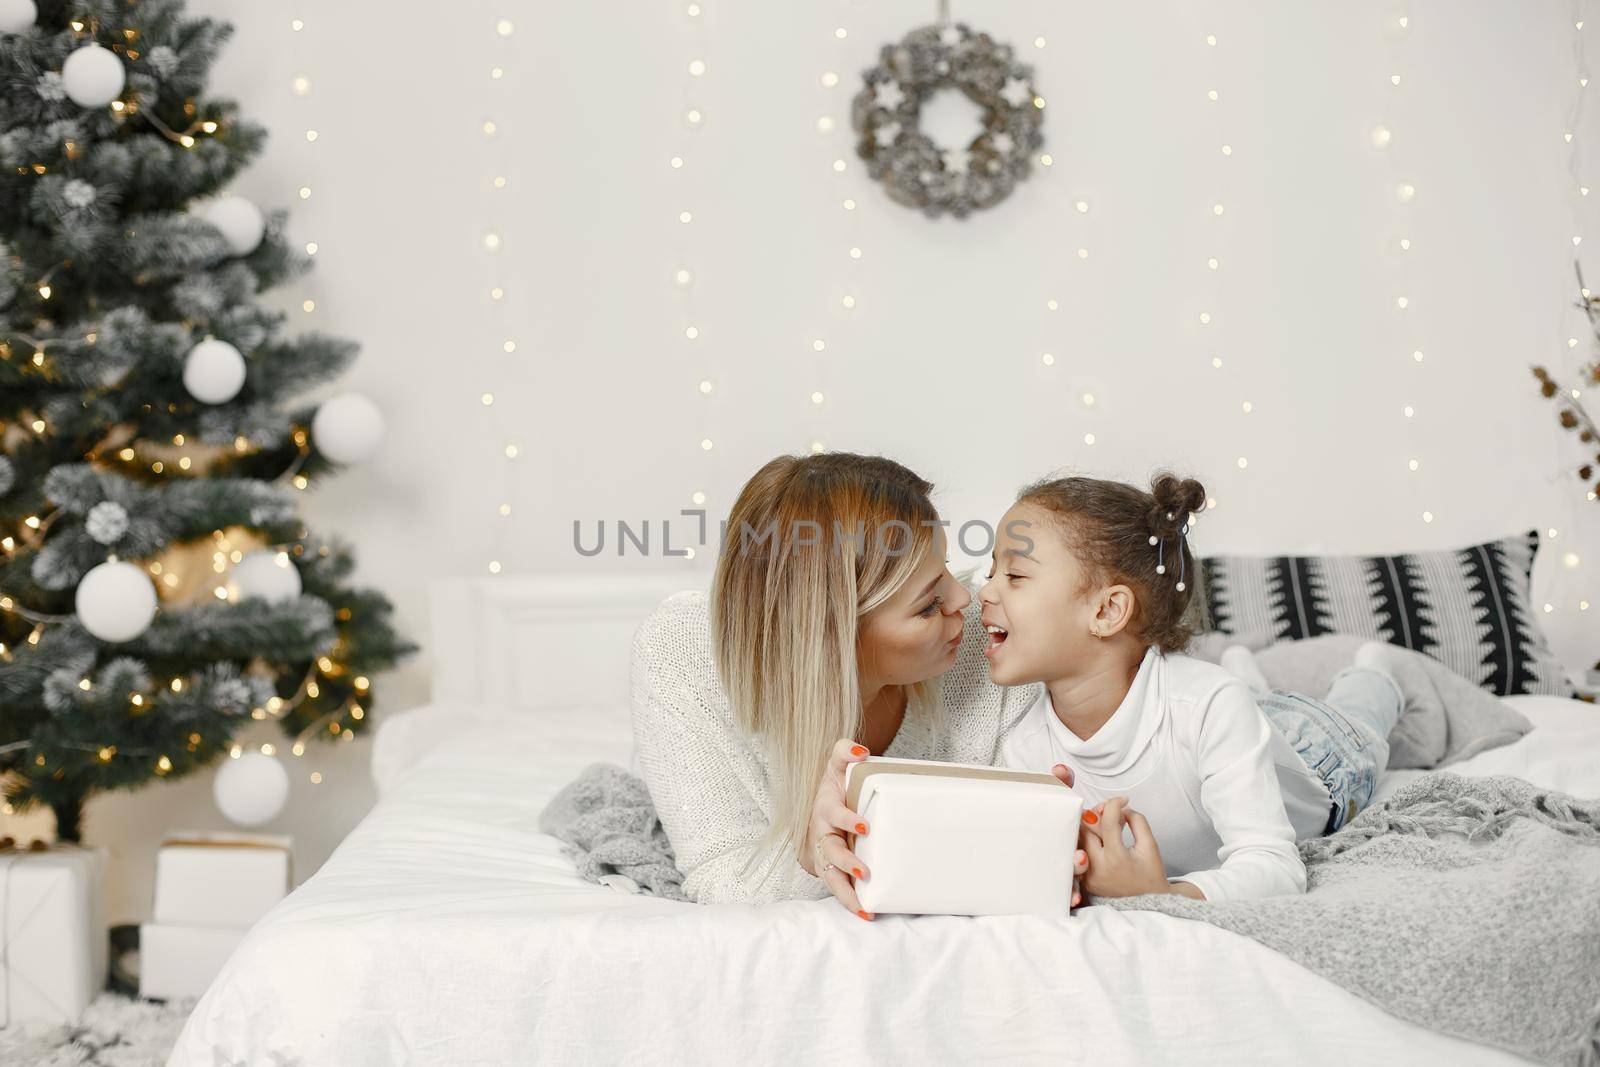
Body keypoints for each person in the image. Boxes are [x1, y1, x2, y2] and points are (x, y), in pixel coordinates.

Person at [984, 472, 1404, 902]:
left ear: (1108, 610)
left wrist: (1161, 894)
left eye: (1014, 576)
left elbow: (1275, 866)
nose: (985, 591)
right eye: (991, 571)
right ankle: (1249, 676)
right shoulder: (1023, 744)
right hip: (1237, 719)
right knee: (1236, 696)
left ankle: (1376, 673)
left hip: (1320, 755)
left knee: (1364, 723)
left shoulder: (1208, 704)